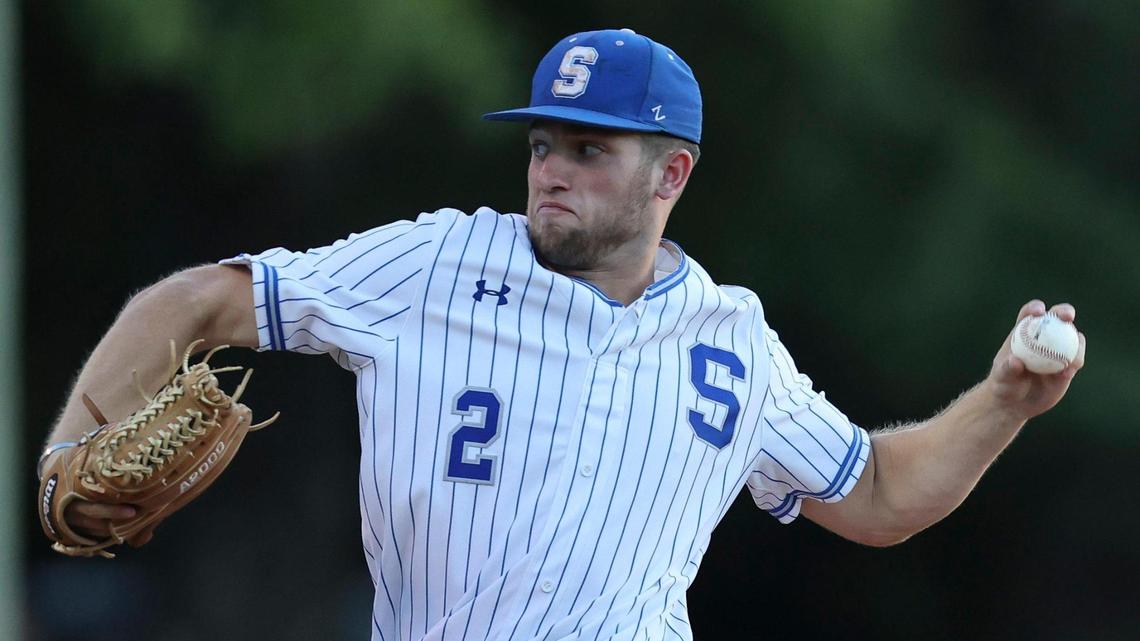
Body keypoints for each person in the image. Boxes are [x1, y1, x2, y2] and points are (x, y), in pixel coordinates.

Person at [39, 28, 1085, 641]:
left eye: (589, 150)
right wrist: (69, 449)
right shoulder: (435, 263)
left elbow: (880, 493)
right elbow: (197, 300)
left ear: (672, 174)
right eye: (543, 144)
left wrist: (1003, 401)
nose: (552, 171)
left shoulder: (730, 341)